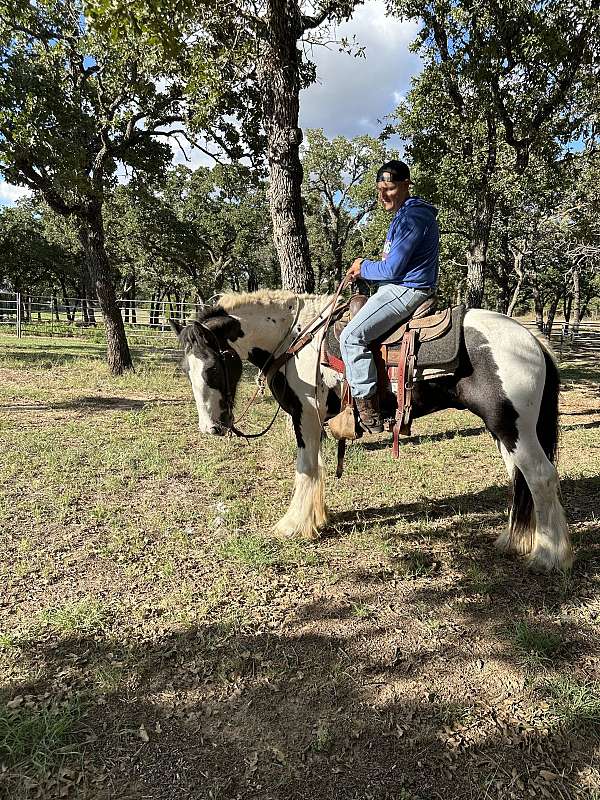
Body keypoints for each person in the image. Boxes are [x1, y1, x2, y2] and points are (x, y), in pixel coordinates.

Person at [339, 159, 440, 433]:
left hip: (406, 289)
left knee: (350, 337)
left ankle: (368, 413)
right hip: (401, 286)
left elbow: (392, 269)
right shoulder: (407, 215)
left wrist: (363, 267)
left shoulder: (412, 218)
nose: (383, 195)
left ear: (406, 185)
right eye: (379, 189)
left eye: (390, 188)